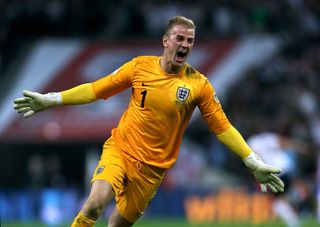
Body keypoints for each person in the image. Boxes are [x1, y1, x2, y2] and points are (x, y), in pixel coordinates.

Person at [13, 16, 284, 227]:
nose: (186, 45)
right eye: (180, 38)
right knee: (94, 204)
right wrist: (51, 100)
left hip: (152, 171)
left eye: (191, 41)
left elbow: (222, 127)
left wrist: (251, 160)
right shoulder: (139, 67)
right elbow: (96, 89)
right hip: (121, 150)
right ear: (166, 41)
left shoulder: (199, 85)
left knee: (116, 224)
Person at [247, 132, 305, 227]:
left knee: (278, 202)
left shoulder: (253, 141)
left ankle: (294, 222)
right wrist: (300, 146)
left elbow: (253, 158)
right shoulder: (270, 137)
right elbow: (283, 144)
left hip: (276, 173)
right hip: (287, 168)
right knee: (281, 199)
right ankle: (296, 198)